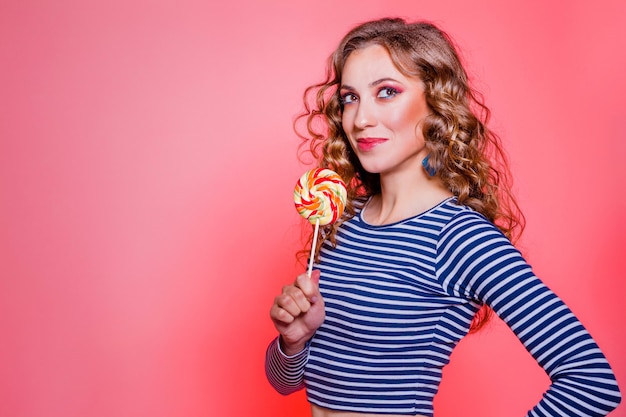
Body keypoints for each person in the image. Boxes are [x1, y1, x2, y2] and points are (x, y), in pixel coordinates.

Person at [265, 17, 622, 417]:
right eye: (350, 97)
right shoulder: (341, 218)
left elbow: (591, 381)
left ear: (436, 103)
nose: (361, 118)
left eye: (386, 92)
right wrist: (293, 342)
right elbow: (286, 384)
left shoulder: (458, 237)